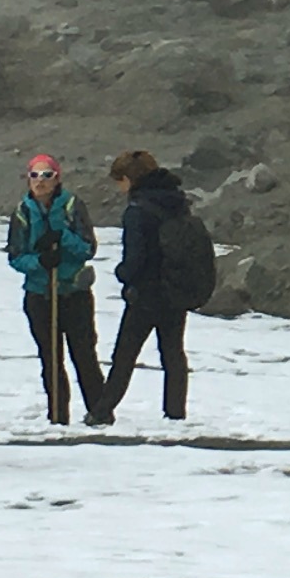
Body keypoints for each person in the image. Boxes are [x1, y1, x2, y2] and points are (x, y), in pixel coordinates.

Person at [99, 149, 206, 423]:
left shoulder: (137, 212)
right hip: (175, 287)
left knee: (125, 355)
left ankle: (101, 412)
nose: (119, 189)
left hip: (145, 293)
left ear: (129, 179)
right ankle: (175, 413)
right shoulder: (177, 202)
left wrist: (122, 274)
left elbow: (134, 260)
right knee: (173, 353)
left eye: (119, 181)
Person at [6, 152, 105, 425]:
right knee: (50, 358)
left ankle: (99, 412)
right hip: (40, 295)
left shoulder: (72, 206)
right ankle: (58, 415)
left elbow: (88, 248)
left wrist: (63, 237)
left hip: (73, 292)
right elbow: (15, 257)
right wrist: (40, 261)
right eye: (34, 175)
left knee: (84, 354)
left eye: (46, 175)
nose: (40, 181)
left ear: (57, 178)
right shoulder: (23, 212)